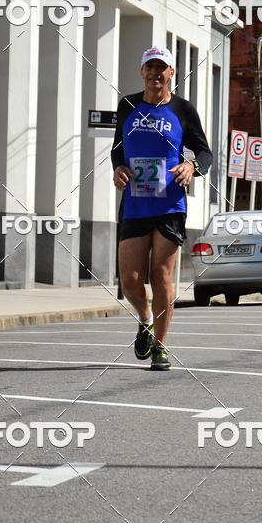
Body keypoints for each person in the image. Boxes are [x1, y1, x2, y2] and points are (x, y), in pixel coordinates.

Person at [111, 46, 213, 371]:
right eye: (150, 67)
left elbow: (204, 153)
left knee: (161, 276)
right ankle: (144, 320)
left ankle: (161, 346)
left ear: (172, 73)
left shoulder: (183, 109)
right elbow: (117, 148)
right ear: (142, 72)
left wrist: (191, 168)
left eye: (162, 67)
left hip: (170, 203)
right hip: (135, 203)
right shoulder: (127, 106)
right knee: (129, 279)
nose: (156, 73)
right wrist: (117, 169)